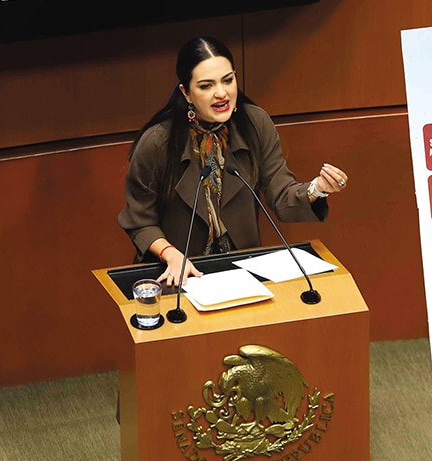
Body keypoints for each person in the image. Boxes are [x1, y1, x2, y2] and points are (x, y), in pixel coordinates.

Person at [118, 36, 349, 286]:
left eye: (228, 80)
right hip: (180, 276)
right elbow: (139, 220)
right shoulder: (158, 142)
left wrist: (318, 189)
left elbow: (281, 194)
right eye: (206, 86)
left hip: (241, 275)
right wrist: (171, 254)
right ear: (186, 92)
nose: (222, 93)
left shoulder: (254, 123)